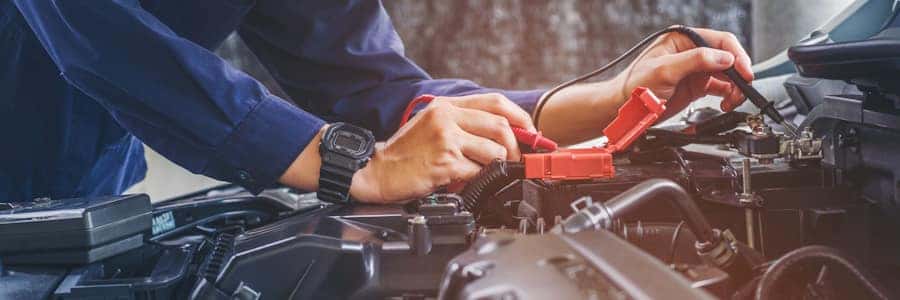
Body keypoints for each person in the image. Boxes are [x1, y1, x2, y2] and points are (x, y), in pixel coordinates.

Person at [0, 1, 752, 204]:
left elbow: (374, 87)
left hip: (76, 206)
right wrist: (350, 166)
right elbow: (95, 34)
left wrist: (611, 100)